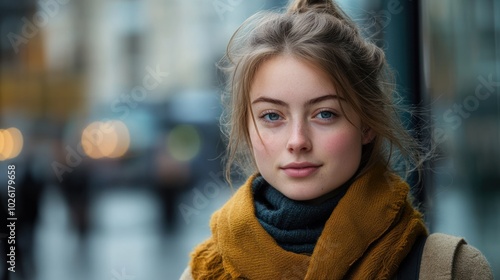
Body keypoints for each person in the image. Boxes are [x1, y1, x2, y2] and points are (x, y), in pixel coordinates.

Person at [180, 0, 493, 279]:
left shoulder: (448, 269)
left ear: (366, 124)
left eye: (325, 114)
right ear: (247, 128)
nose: (297, 141)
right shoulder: (205, 272)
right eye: (272, 116)